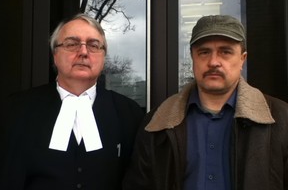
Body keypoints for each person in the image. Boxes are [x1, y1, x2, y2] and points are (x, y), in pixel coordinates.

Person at [123, 15, 288, 190]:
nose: (213, 62)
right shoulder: (156, 123)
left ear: (242, 59)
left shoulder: (281, 120)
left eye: (225, 51)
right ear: (193, 58)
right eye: (204, 52)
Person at [0, 13, 144, 190]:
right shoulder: (17, 110)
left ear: (103, 57)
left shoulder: (129, 113)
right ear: (55, 55)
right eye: (71, 44)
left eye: (93, 45)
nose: (83, 52)